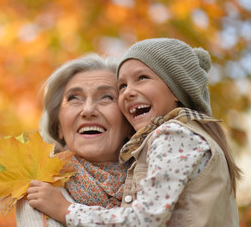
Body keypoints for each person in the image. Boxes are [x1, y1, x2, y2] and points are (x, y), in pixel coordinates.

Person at [27, 38, 242, 226]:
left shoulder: (172, 135)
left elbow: (143, 220)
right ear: (58, 127)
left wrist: (67, 211)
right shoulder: (39, 185)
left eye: (106, 97)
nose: (129, 92)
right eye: (122, 86)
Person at [16, 53, 133, 226]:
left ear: (129, 123)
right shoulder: (37, 190)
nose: (88, 110)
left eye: (106, 97)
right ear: (59, 127)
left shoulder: (161, 177)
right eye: (74, 98)